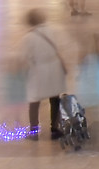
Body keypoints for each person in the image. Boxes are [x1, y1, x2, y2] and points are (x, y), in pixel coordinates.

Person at [17, 9, 69, 142]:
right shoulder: (53, 30)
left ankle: (34, 132)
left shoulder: (28, 37)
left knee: (34, 101)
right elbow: (61, 45)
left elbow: (25, 57)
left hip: (38, 70)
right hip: (54, 67)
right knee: (55, 98)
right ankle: (55, 129)